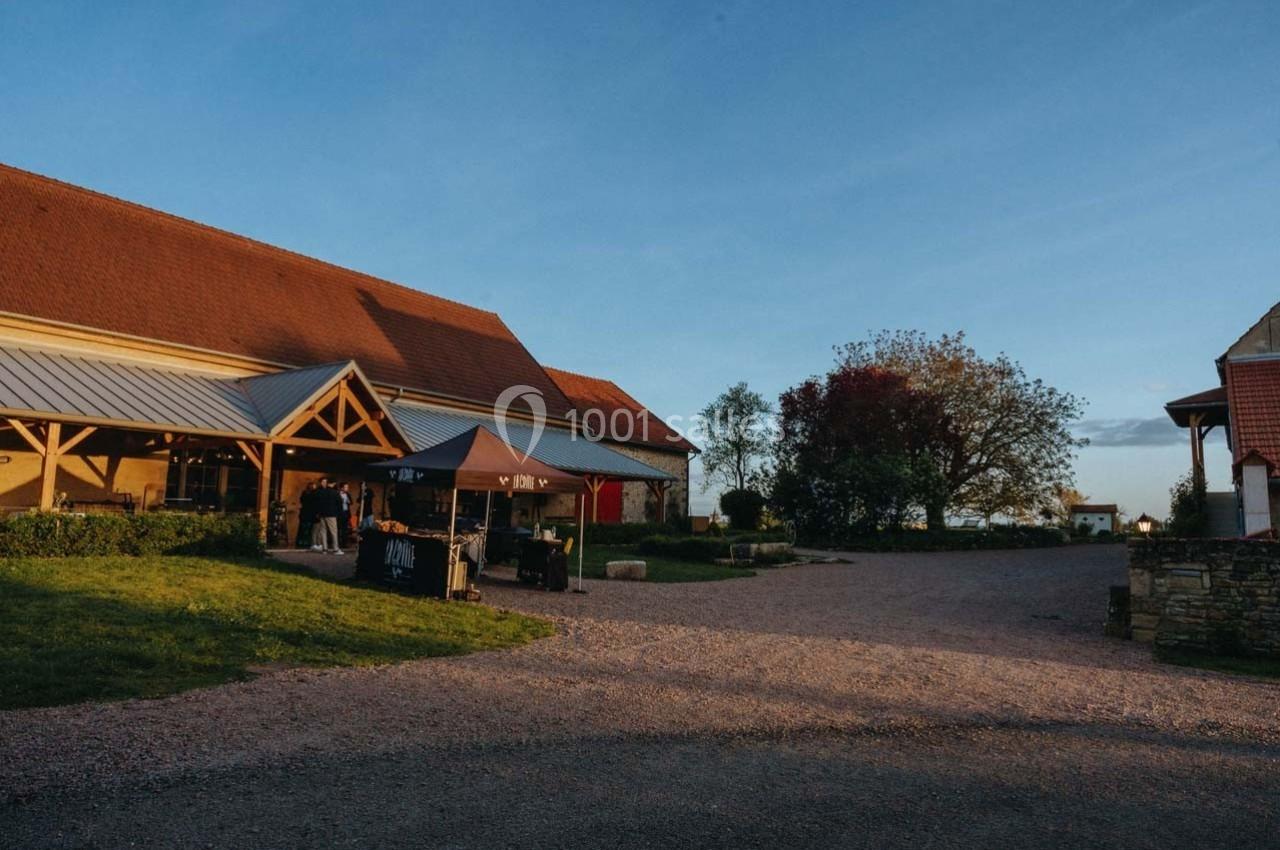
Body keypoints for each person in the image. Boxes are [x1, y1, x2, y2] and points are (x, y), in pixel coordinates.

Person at [311, 478, 344, 555]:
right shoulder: (335, 492)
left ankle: (324, 549)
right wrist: (339, 514)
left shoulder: (321, 492)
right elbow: (339, 503)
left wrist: (318, 512)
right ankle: (335, 549)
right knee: (333, 532)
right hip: (332, 514)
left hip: (322, 514)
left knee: (323, 531)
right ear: (333, 484)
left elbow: (318, 503)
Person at [297, 482, 318, 549]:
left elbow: (302, 501)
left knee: (303, 528)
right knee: (308, 529)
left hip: (304, 513)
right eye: (314, 486)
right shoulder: (313, 494)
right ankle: (306, 542)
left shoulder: (304, 493)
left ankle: (301, 542)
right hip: (309, 514)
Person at [337, 482, 353, 547]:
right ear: (342, 488)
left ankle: (344, 543)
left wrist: (348, 501)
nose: (347, 488)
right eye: (346, 487)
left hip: (346, 512)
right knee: (339, 528)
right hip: (340, 513)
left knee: (345, 529)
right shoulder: (338, 494)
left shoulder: (348, 494)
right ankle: (338, 542)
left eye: (347, 487)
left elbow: (351, 502)